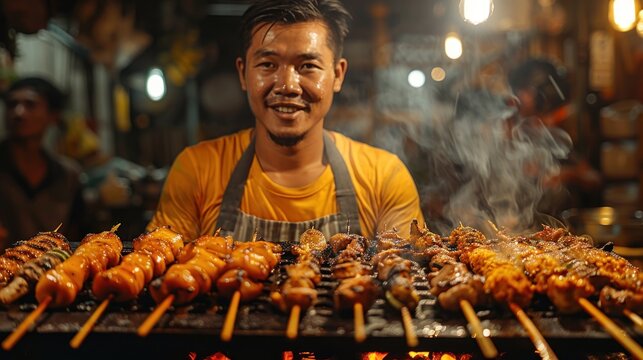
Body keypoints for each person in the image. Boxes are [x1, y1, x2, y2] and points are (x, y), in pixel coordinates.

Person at [148, 0, 424, 242]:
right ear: (243, 74)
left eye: (307, 66)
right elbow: (161, 264)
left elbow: (404, 281)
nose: (287, 85)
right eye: (268, 65)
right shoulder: (197, 171)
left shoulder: (384, 178)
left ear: (337, 75)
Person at [508, 58, 601, 215]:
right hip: (516, 224)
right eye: (520, 90)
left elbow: (594, 179)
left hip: (557, 225)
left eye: (526, 90)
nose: (520, 96)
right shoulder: (506, 135)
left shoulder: (554, 137)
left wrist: (565, 174)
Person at [0, 77, 84, 250]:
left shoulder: (68, 176)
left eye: (30, 105)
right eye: (11, 105)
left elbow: (77, 236)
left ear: (53, 116)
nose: (18, 112)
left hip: (53, 271)